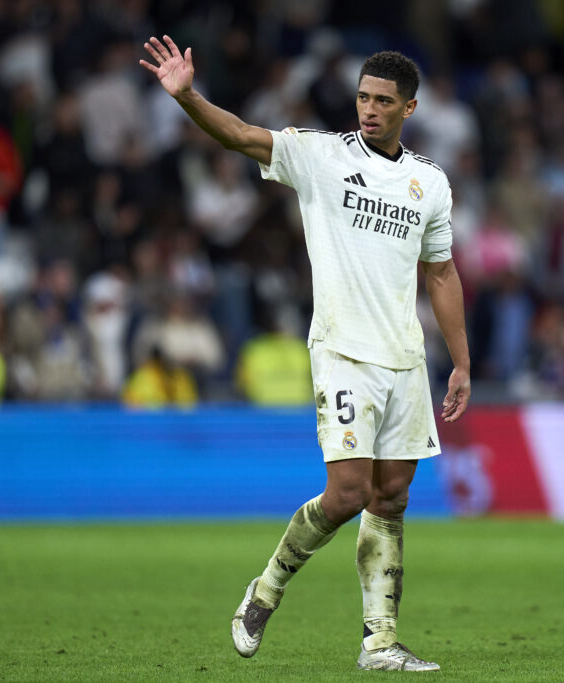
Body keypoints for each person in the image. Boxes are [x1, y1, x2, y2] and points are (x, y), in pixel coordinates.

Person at [141, 35, 471, 672]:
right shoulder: (320, 155)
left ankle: (379, 642)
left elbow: (442, 274)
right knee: (348, 493)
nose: (369, 109)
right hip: (343, 349)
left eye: (383, 101)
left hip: (405, 357)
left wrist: (459, 360)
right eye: (363, 97)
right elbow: (240, 135)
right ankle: (265, 590)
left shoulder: (429, 182)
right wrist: (187, 98)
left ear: (410, 107)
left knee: (393, 497)